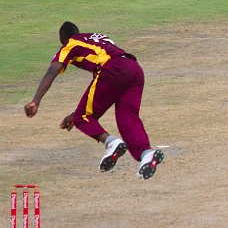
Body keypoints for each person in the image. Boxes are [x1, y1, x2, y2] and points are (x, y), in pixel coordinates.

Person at [24, 22, 164, 179]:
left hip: (113, 69)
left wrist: (36, 100)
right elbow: (102, 90)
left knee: (82, 117)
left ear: (61, 39)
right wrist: (76, 112)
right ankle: (147, 154)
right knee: (127, 117)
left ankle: (111, 143)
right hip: (134, 68)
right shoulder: (97, 38)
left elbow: (53, 70)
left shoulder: (69, 44)